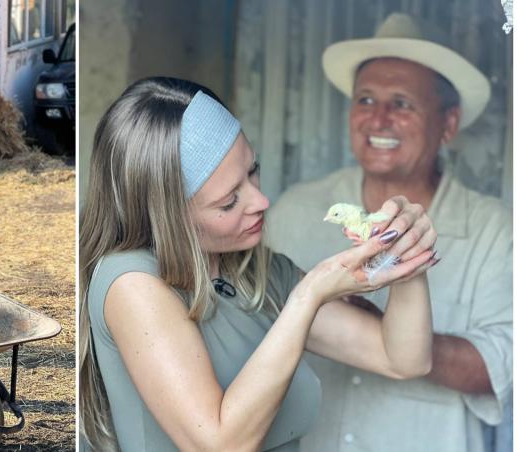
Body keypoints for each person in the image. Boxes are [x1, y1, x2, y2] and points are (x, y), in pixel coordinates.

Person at [79, 77, 439, 451]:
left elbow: (403, 358)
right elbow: (221, 445)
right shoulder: (133, 284)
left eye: (253, 171)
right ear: (168, 215)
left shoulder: (255, 273)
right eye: (229, 201)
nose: (261, 201)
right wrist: (309, 295)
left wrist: (406, 254)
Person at [265, 13, 512, 452]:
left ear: (448, 124)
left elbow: (500, 368)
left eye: (402, 104)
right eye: (365, 100)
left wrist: (379, 328)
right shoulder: (296, 211)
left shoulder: (493, 229)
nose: (378, 120)